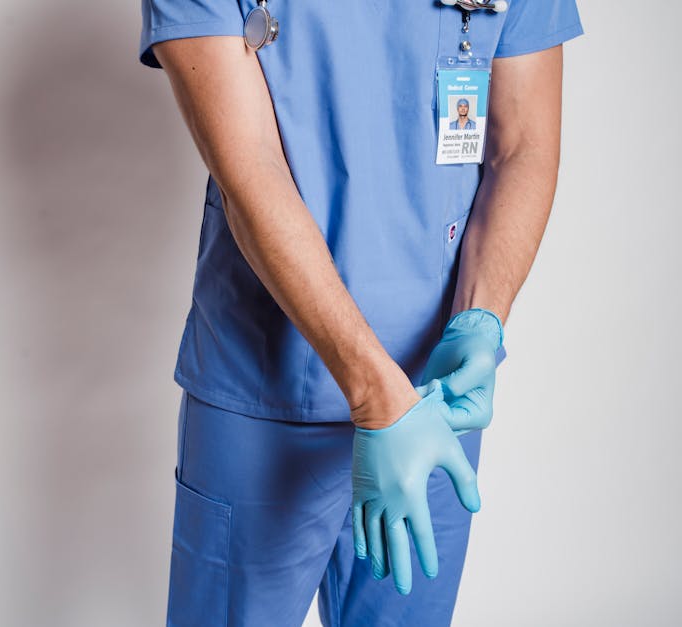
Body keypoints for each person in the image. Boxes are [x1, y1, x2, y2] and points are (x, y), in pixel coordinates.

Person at [138, 2, 583, 625]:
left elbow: (525, 146)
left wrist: (481, 319)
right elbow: (248, 167)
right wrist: (376, 395)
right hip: (266, 391)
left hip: (433, 395)